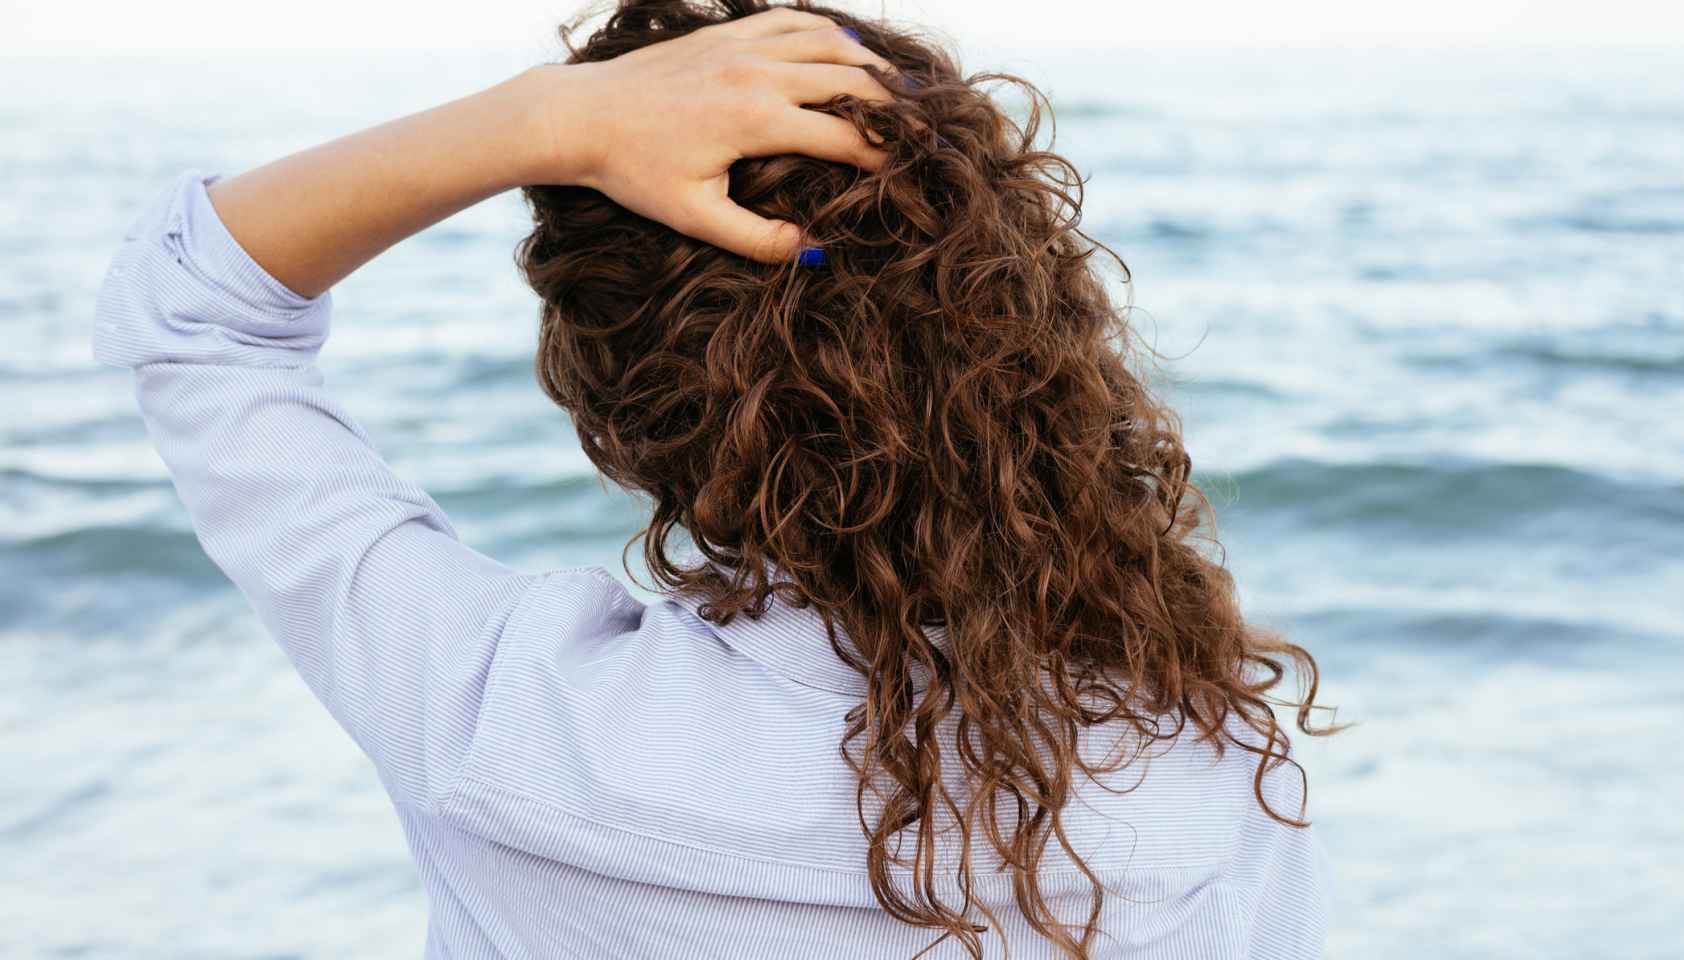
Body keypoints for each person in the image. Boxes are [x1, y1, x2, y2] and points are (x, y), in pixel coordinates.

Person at [92, 1, 1334, 956]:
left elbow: (192, 310)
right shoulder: (1201, 773)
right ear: (1022, 324)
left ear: (615, 401)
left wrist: (543, 118)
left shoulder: (499, 719)